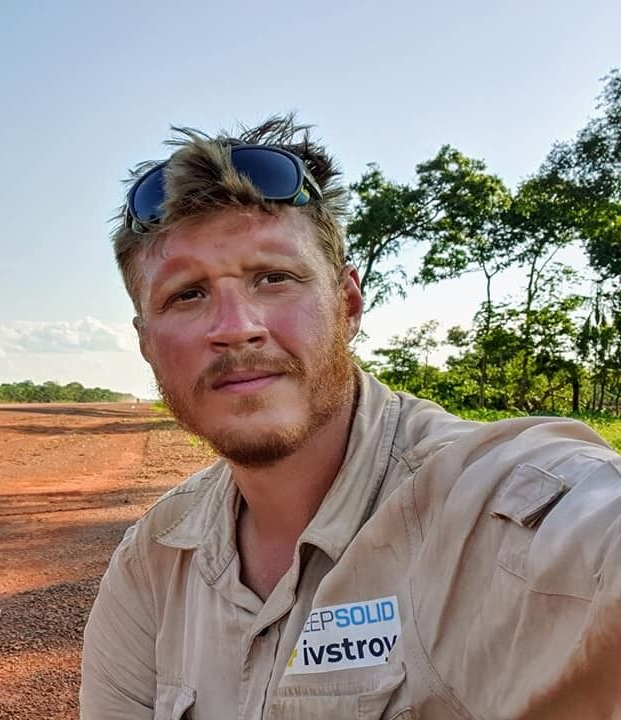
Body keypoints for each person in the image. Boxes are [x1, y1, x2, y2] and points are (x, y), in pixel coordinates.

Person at [79, 117, 621, 719]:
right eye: (187, 294)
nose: (234, 326)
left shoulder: (492, 499)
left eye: (274, 278)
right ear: (147, 342)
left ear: (347, 303)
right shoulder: (155, 560)